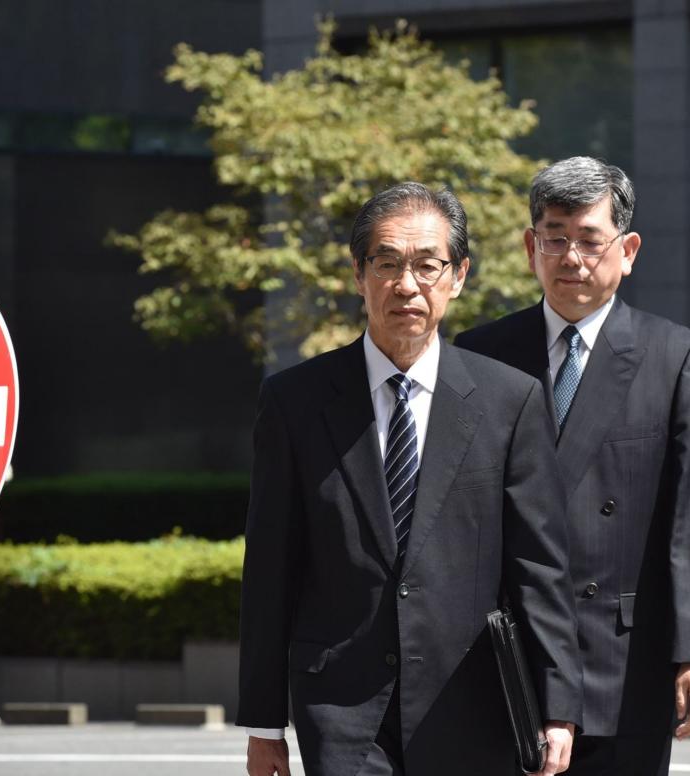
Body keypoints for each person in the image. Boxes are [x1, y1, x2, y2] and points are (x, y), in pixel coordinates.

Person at [235, 182, 582, 776]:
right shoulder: (295, 401)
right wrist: (265, 724)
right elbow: (271, 567)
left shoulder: (511, 401)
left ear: (459, 276)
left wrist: (557, 706)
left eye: (427, 265)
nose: (406, 284)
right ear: (358, 274)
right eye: (387, 263)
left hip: (470, 705)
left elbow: (540, 567)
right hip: (340, 709)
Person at [456, 157, 690, 776]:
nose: (571, 257)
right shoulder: (478, 355)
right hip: (504, 659)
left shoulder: (676, 356)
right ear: (531, 247)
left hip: (622, 659)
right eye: (555, 238)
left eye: (590, 239)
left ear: (627, 250)